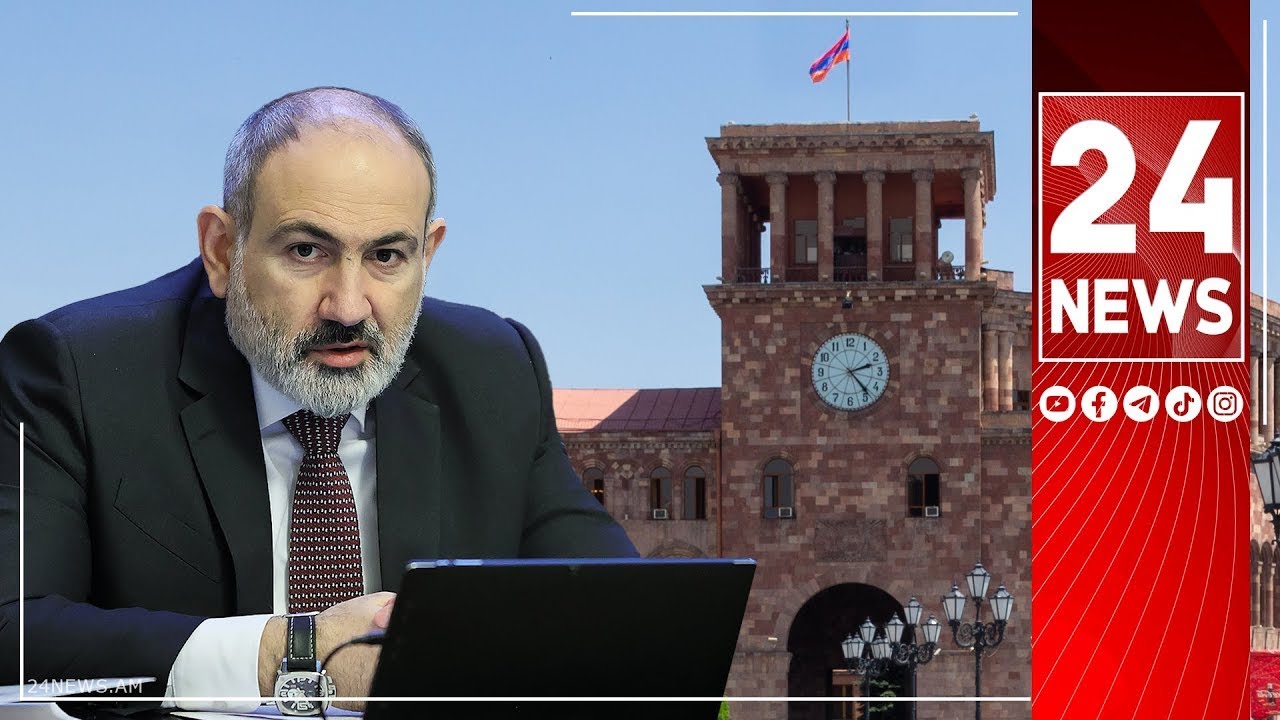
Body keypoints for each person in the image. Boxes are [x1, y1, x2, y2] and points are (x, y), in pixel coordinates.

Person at [0, 86, 637, 710]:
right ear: (222, 250)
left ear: (428, 254)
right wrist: (294, 655)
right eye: (306, 251)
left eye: (387, 255)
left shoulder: (494, 368)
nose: (349, 308)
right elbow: (11, 631)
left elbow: (622, 608)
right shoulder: (72, 369)